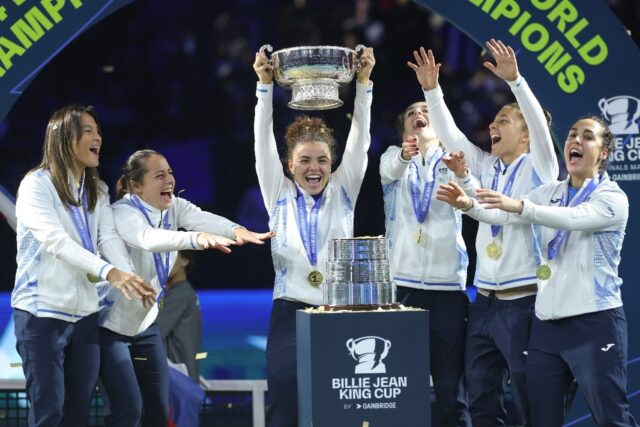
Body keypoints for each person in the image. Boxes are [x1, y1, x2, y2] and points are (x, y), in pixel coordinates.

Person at [438, 116, 638, 426]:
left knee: (612, 419)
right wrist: (468, 206)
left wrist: (520, 207)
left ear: (604, 153)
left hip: (595, 322)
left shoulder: (612, 199)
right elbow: (503, 216)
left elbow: (571, 218)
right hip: (546, 326)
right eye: (572, 134)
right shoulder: (550, 192)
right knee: (541, 420)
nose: (575, 140)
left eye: (587, 137)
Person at [410, 39, 558, 426]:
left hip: (523, 302)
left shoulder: (541, 166)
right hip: (484, 303)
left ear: (526, 135)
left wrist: (516, 82)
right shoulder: (487, 166)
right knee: (480, 398)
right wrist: (432, 90)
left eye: (503, 122)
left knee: (528, 400)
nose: (492, 126)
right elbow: (452, 135)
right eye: (493, 122)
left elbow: (541, 128)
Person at [99, 149, 274, 426]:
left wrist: (237, 230)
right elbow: (148, 239)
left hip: (145, 327)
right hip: (110, 331)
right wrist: (197, 239)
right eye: (159, 175)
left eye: (169, 172)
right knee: (127, 410)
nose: (169, 179)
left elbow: (203, 217)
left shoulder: (173, 207)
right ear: (135, 186)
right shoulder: (123, 212)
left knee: (158, 410)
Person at [253, 46, 375, 427]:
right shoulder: (278, 191)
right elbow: (261, 144)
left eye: (322, 160)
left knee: (337, 408)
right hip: (289, 310)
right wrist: (264, 86)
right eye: (304, 160)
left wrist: (364, 83)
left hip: (339, 311)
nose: (314, 168)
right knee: (286, 406)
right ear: (290, 165)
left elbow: (360, 139)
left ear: (333, 164)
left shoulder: (344, 188)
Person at [12, 105, 155, 426]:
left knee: (77, 415)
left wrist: (128, 275)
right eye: (88, 130)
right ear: (64, 137)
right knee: (49, 413)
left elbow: (108, 240)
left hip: (85, 316)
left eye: (98, 131)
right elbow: (55, 240)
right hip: (41, 314)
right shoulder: (36, 185)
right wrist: (110, 273)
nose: (97, 137)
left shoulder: (97, 190)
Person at [379, 102, 477, 426]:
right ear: (405, 129)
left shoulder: (453, 159)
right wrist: (405, 156)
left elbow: (476, 202)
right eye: (411, 113)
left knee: (452, 393)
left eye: (426, 110)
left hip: (448, 289)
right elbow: (388, 171)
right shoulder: (393, 159)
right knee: (405, 391)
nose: (419, 114)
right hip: (404, 290)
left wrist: (462, 173)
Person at [157, 250, 201, 382]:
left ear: (185, 261)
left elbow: (153, 334)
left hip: (177, 382)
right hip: (185, 380)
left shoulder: (179, 294)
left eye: (170, 255)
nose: (164, 261)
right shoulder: (185, 292)